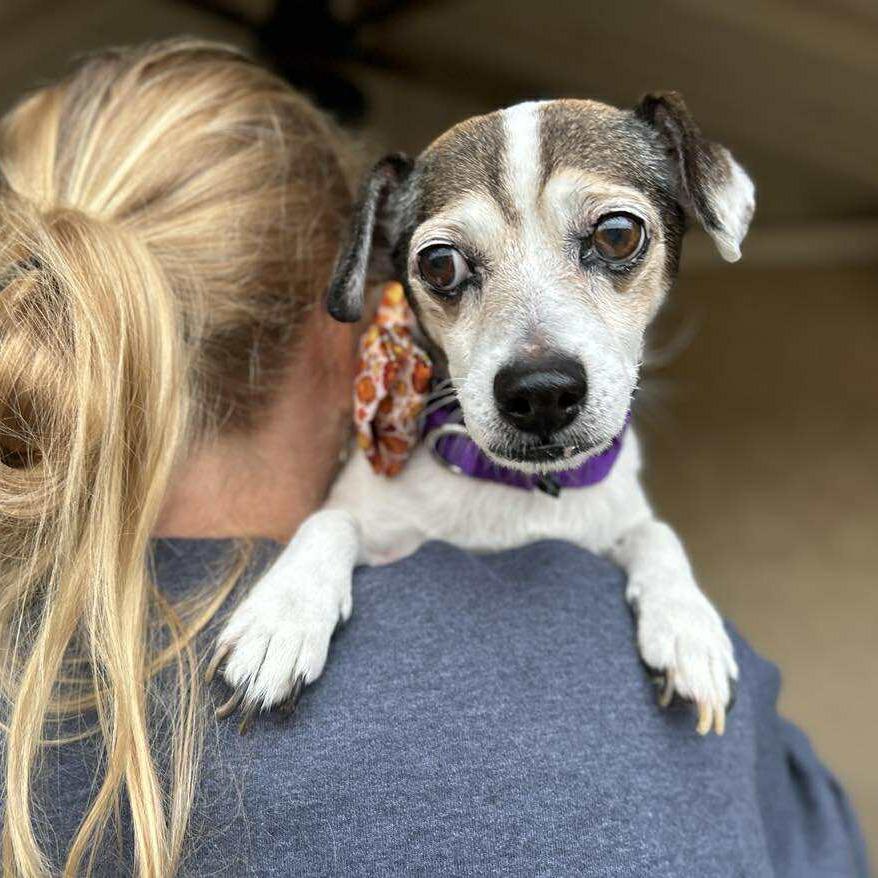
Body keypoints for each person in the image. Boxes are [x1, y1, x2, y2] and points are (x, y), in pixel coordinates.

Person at [0, 39, 867, 878]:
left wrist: (662, 569)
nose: (537, 359)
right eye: (450, 268)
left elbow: (629, 529)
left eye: (610, 241)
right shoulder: (726, 726)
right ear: (360, 310)